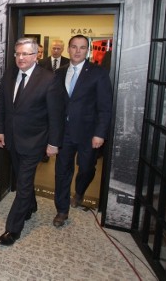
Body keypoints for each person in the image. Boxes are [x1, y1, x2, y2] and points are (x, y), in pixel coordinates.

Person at [0, 38, 64, 246]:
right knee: (22, 179)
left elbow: (56, 115)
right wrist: (0, 131)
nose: (21, 58)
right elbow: (2, 106)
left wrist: (53, 143)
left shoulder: (49, 79)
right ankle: (31, 206)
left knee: (23, 184)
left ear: (36, 56)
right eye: (18, 54)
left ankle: (13, 229)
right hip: (12, 139)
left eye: (25, 54)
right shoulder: (9, 75)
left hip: (35, 141)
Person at [49, 34, 113, 228]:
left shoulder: (98, 73)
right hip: (64, 133)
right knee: (62, 171)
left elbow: (105, 106)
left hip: (88, 134)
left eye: (82, 47)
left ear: (88, 50)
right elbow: (54, 104)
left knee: (86, 168)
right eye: (74, 47)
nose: (77, 51)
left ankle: (80, 191)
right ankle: (61, 210)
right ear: (69, 49)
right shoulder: (59, 73)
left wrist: (100, 133)